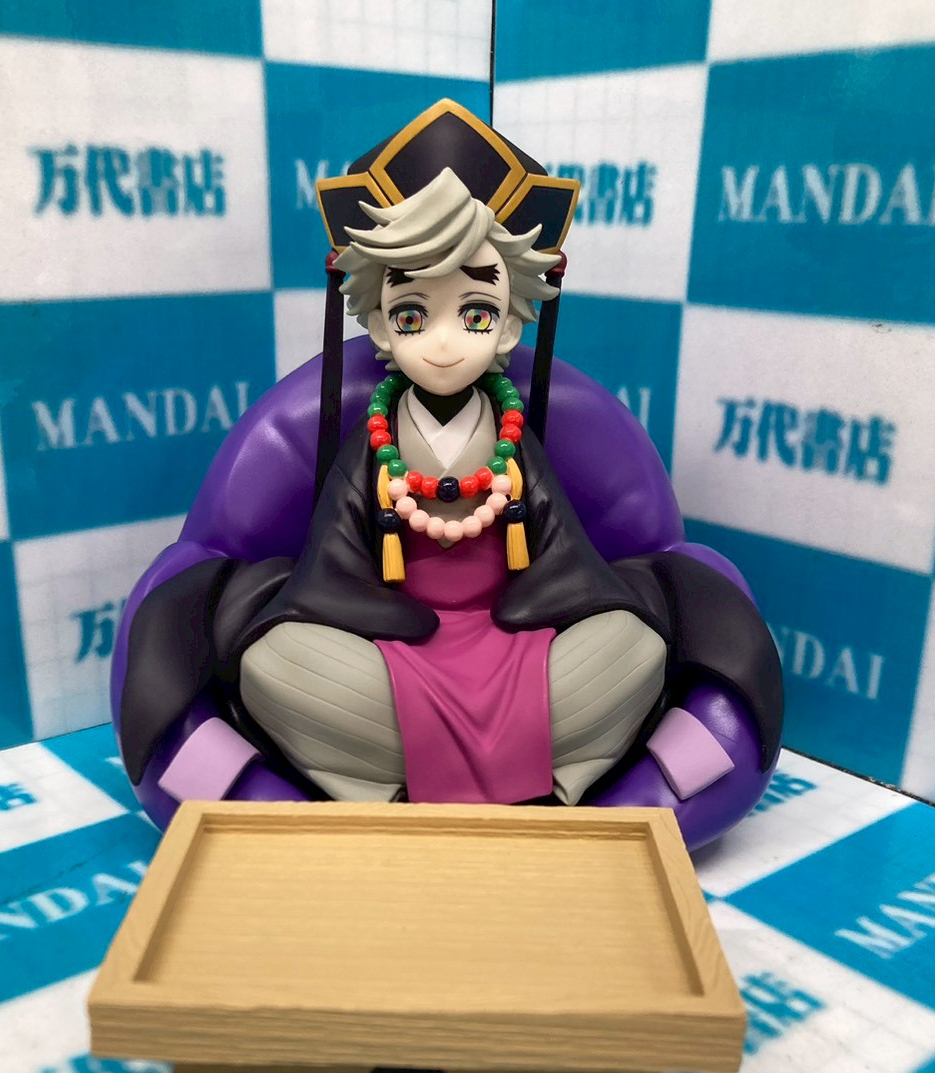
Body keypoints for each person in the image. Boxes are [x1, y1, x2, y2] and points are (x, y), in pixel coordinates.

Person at [114, 101, 782, 831]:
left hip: (517, 633)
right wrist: (389, 624)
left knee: (634, 646)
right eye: (411, 315)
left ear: (512, 319)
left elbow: (566, 557)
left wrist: (542, 614)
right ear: (376, 321)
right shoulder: (372, 439)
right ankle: (373, 793)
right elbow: (332, 565)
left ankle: (561, 790)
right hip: (386, 641)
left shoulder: (516, 433)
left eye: (474, 314)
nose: (442, 344)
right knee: (275, 664)